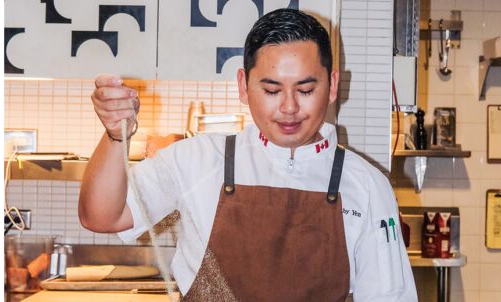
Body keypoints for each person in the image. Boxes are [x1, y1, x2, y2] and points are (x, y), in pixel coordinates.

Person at [79, 8, 417, 302]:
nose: (289, 107)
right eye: (271, 90)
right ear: (243, 86)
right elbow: (103, 216)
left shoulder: (366, 185)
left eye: (306, 89)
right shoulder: (197, 160)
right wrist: (114, 135)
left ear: (332, 85)